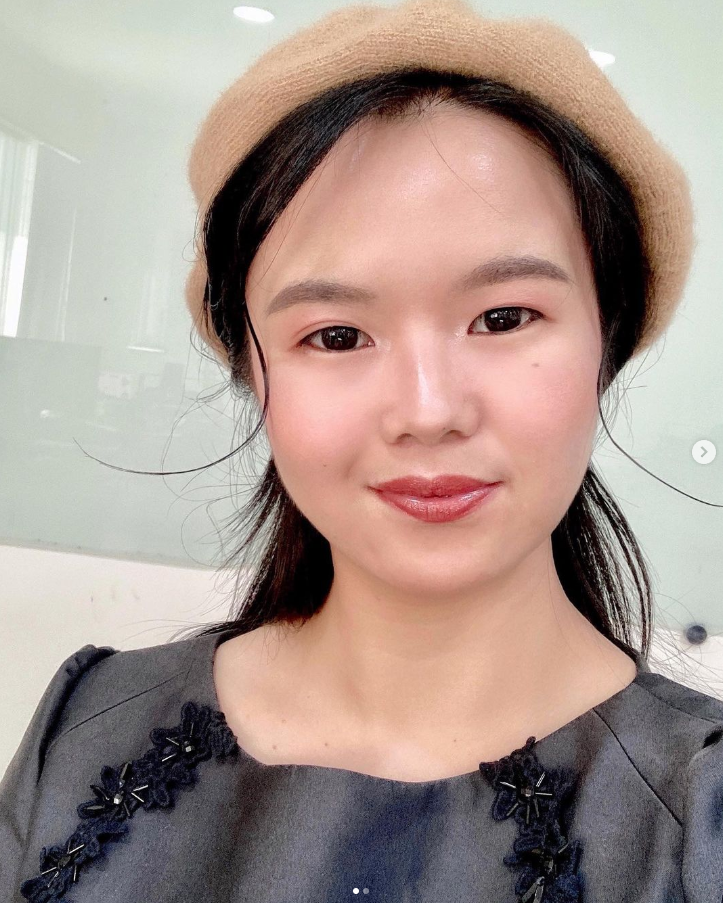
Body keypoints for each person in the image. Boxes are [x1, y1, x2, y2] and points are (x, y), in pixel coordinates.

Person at [2, 1, 721, 901]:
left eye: (503, 317)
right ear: (251, 367)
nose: (427, 411)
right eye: (336, 335)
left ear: (605, 337)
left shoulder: (698, 820)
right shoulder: (85, 734)